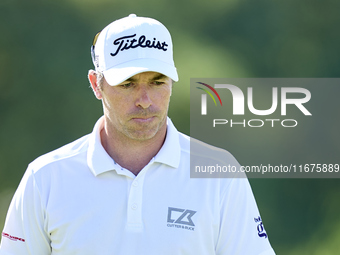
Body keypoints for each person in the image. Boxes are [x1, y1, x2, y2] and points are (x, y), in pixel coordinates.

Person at [0, 14, 275, 255]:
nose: (145, 100)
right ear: (97, 85)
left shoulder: (220, 173)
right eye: (127, 84)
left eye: (157, 82)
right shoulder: (46, 178)